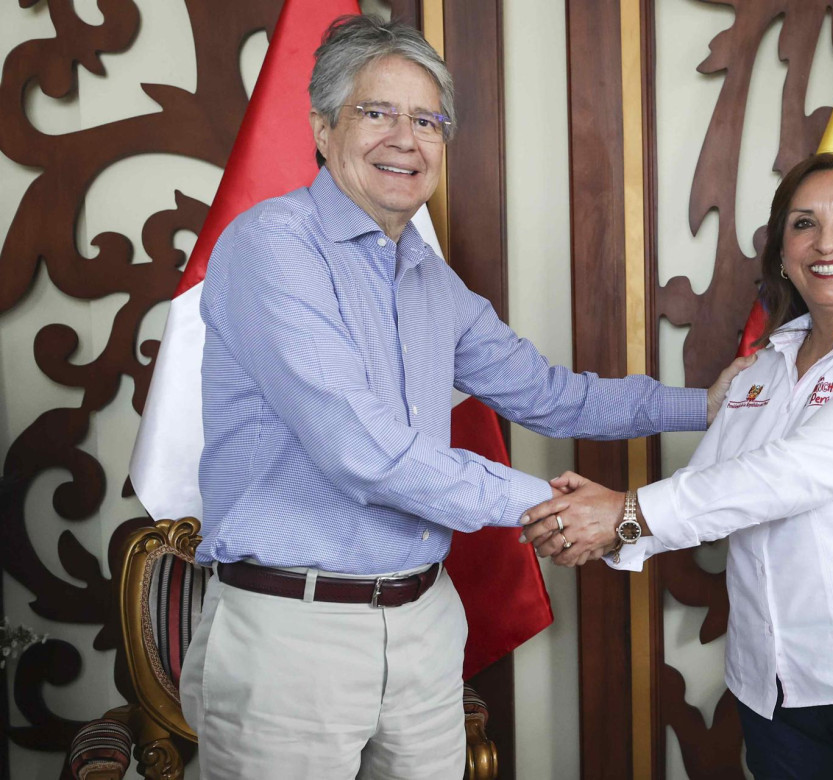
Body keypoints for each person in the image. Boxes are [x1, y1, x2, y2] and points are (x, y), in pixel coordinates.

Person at [178, 14, 750, 780]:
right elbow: (364, 452)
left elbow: (550, 395)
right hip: (294, 635)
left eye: (427, 120)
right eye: (377, 112)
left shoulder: (427, 277)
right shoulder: (271, 246)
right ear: (322, 128)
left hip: (423, 623)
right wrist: (546, 505)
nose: (405, 139)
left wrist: (703, 408)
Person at [521, 152, 833, 779]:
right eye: (803, 224)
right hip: (777, 691)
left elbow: (790, 475)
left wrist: (621, 514)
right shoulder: (765, 366)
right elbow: (710, 492)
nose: (826, 242)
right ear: (782, 256)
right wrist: (601, 525)